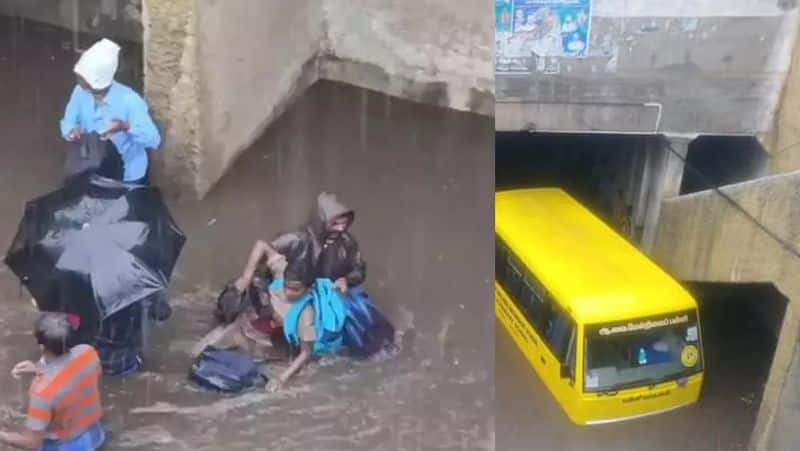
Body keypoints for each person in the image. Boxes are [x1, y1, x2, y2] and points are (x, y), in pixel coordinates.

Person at [60, 38, 161, 184]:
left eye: (83, 79)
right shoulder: (79, 92)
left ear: (95, 81)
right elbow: (68, 121)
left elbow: (154, 140)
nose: (79, 82)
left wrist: (125, 127)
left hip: (128, 173)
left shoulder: (130, 101)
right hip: (93, 165)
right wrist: (72, 132)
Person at [0, 313, 105, 450]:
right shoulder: (88, 352)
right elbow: (86, 378)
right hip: (95, 435)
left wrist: (2, 436)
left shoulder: (42, 392)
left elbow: (32, 443)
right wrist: (40, 369)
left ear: (41, 346)